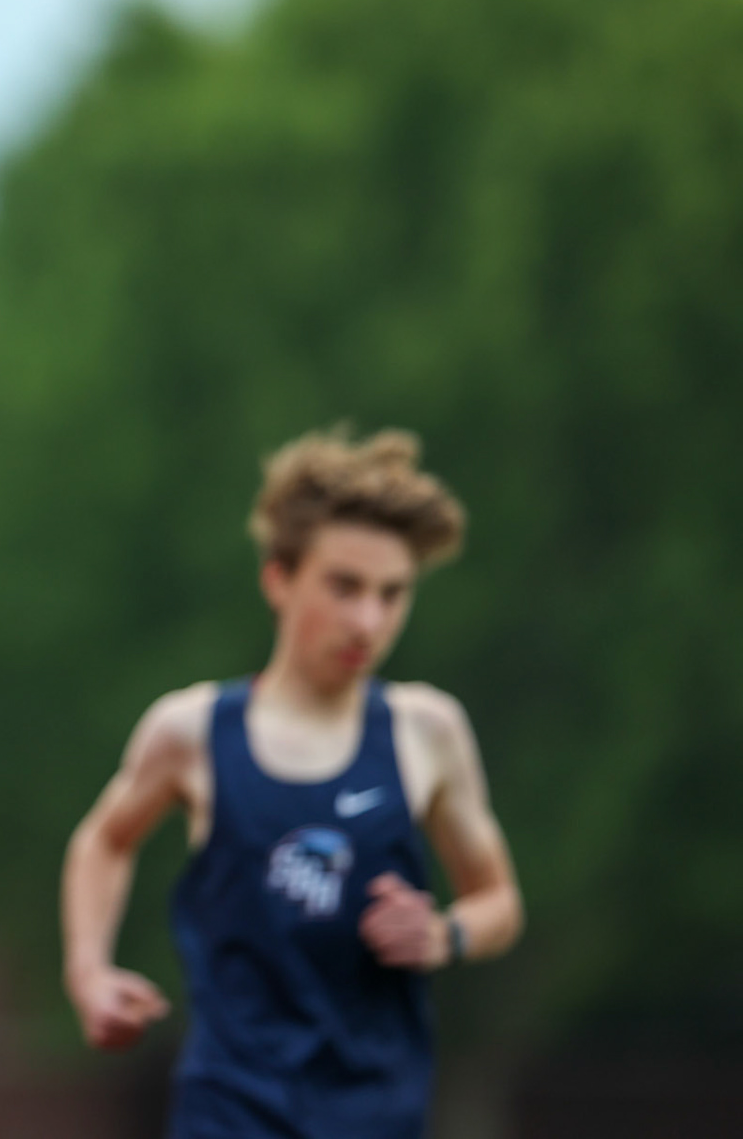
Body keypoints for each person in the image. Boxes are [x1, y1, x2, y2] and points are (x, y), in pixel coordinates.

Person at [60, 427, 523, 1139]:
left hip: (377, 1105)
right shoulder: (192, 732)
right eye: (344, 587)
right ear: (279, 578)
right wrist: (89, 974)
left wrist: (446, 934)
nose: (368, 619)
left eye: (392, 594)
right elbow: (103, 841)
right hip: (233, 1101)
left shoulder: (427, 732)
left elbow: (499, 900)